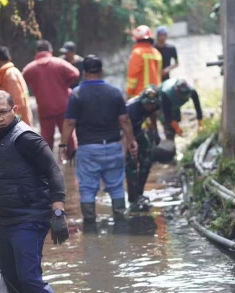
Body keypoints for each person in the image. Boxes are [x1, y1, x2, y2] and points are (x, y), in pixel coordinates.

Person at [0, 90, 70, 293]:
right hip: (6, 220)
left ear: (14, 109)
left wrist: (58, 211)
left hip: (30, 216)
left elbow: (53, 170)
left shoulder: (26, 138)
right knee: (11, 276)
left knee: (30, 276)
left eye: (3, 112)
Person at [60, 55, 138, 226]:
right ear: (102, 71)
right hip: (113, 147)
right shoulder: (115, 92)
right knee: (116, 187)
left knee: (87, 189)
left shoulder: (77, 94)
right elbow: (124, 120)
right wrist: (132, 140)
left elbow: (70, 122)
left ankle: (90, 229)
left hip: (88, 149)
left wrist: (63, 144)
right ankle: (120, 225)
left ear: (84, 72)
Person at [23, 40, 80, 156]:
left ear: (36, 52)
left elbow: (22, 83)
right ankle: (73, 162)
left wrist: (35, 88)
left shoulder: (30, 68)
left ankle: (48, 166)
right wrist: (65, 85)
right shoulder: (59, 63)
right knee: (68, 135)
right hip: (63, 105)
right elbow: (75, 73)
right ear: (50, 51)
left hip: (45, 108)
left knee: (47, 138)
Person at [125, 86, 160, 212]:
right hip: (125, 134)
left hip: (138, 132)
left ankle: (140, 192)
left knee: (147, 159)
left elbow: (153, 115)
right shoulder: (132, 108)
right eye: (147, 104)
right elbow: (123, 126)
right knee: (131, 165)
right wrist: (128, 144)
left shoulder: (154, 105)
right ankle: (132, 198)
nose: (149, 106)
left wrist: (155, 132)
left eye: (152, 104)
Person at [0, 47, 33, 126]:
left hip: (18, 122)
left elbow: (16, 100)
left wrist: (14, 120)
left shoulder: (9, 74)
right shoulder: (12, 71)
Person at [126, 25, 163, 100]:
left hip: (140, 97)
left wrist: (128, 93)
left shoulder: (137, 53)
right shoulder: (157, 53)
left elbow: (133, 78)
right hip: (156, 95)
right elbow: (159, 75)